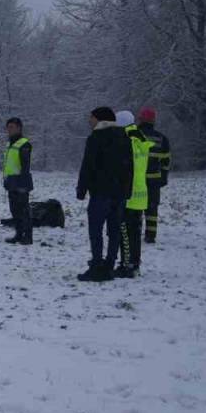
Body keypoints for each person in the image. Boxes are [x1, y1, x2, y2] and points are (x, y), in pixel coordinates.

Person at [76, 107, 133, 282]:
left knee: (96, 229)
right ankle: (109, 265)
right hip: (119, 193)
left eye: (91, 117)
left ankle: (96, 265)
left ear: (100, 119)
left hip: (100, 192)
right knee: (114, 230)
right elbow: (130, 167)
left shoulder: (96, 137)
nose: (89, 121)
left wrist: (81, 189)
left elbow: (88, 165)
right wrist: (127, 189)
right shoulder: (123, 137)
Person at [116, 110, 153, 279]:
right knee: (135, 233)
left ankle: (126, 265)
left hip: (127, 194)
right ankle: (135, 264)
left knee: (124, 232)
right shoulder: (140, 139)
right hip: (140, 194)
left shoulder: (126, 141)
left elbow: (123, 169)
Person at [136, 107, 170, 244]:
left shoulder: (134, 136)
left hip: (136, 180)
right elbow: (166, 160)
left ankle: (135, 231)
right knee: (152, 208)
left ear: (140, 119)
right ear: (153, 120)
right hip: (154, 179)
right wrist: (163, 177)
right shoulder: (162, 138)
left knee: (135, 207)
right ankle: (150, 235)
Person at [3, 117, 34, 245]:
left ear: (19, 128)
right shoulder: (9, 144)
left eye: (12, 127)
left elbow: (25, 165)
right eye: (8, 127)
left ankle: (27, 236)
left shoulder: (24, 144)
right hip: (11, 181)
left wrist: (22, 183)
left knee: (24, 210)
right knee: (14, 210)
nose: (9, 130)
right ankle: (19, 234)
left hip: (21, 181)